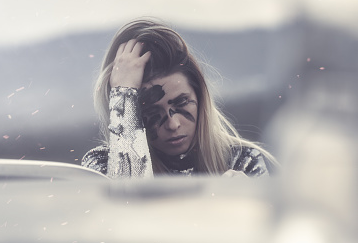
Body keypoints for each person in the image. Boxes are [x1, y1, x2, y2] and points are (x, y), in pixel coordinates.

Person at [82, 18, 276, 178]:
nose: (173, 124)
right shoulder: (101, 167)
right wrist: (124, 93)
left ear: (200, 97)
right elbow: (130, 210)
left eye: (182, 102)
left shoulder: (242, 161)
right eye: (151, 111)